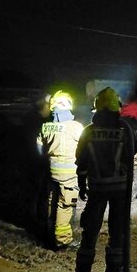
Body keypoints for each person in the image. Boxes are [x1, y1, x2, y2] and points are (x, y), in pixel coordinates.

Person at [74, 87, 137, 272]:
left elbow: (81, 160)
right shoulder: (124, 130)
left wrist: (82, 183)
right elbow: (133, 150)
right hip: (120, 190)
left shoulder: (88, 132)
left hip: (96, 189)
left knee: (90, 231)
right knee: (117, 233)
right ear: (116, 108)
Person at [36, 90, 85, 250]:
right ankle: (62, 240)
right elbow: (86, 149)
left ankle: (49, 233)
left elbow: (39, 149)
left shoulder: (46, 127)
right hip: (69, 175)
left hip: (51, 171)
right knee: (65, 205)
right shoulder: (76, 127)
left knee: (52, 201)